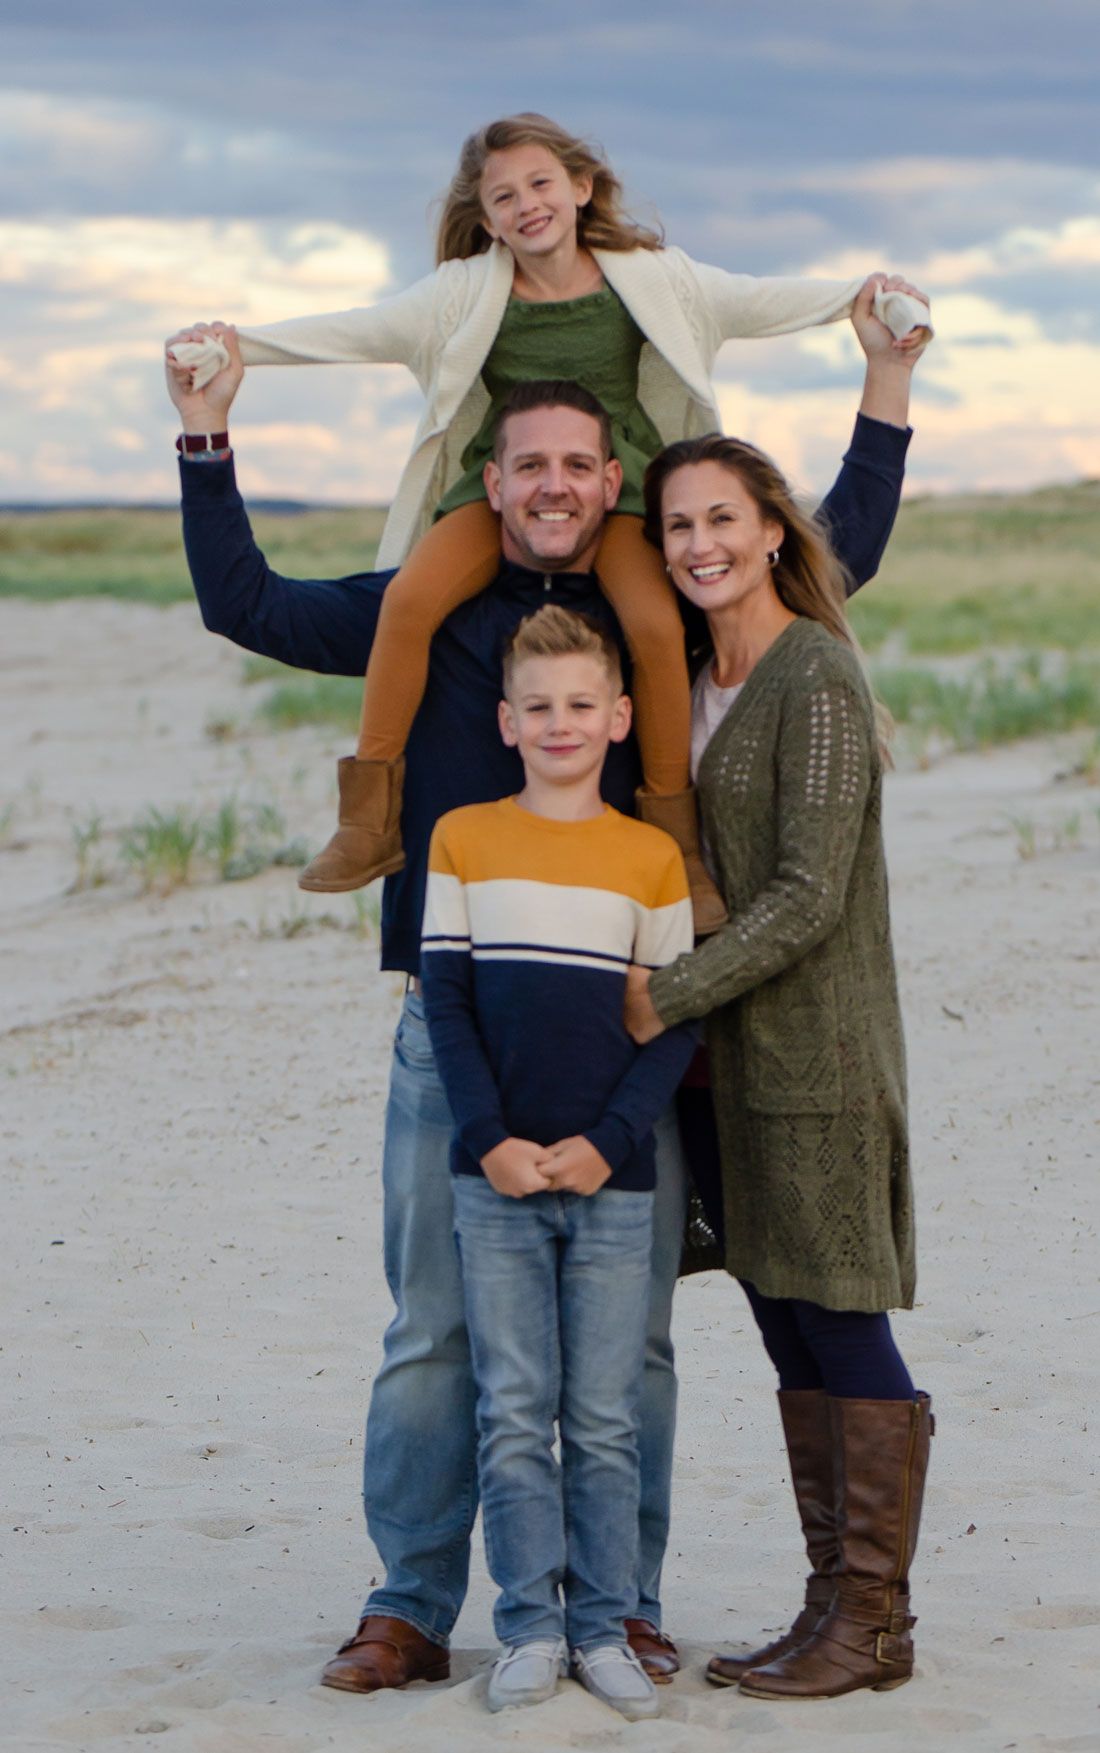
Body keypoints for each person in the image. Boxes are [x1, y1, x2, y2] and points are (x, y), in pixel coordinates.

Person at [164, 290, 922, 1695]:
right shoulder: (433, 612)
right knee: (437, 1329)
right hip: (451, 1029)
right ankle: (408, 1601)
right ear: (491, 484)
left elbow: (826, 553)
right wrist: (206, 434)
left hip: (636, 1027)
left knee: (629, 1344)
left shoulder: (669, 631)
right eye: (529, 467)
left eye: (580, 464)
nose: (555, 486)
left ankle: (622, 1604)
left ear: (610, 479)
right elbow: (244, 603)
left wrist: (883, 389)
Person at [165, 110, 930, 936]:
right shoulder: (462, 301)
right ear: (485, 218)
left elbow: (771, 331)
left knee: (650, 626)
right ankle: (367, 816)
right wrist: (227, 367)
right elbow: (350, 339)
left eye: (540, 183)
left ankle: (681, 845)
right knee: (408, 599)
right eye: (504, 196)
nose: (526, 205)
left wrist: (868, 319)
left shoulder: (656, 292)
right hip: (462, 946)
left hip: (632, 523)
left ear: (580, 186)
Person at [623, 429, 932, 1699]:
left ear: (768, 528)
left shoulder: (811, 675)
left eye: (718, 520)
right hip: (721, 1073)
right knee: (784, 1329)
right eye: (676, 528)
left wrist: (665, 995)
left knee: (839, 1318)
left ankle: (873, 1623)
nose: (697, 545)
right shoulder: (689, 671)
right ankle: (828, 1609)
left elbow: (807, 895)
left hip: (814, 1056)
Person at [420, 605, 695, 1718]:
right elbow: (443, 999)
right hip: (493, 1180)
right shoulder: (463, 838)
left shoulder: (649, 855)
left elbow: (671, 1023)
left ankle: (605, 1623)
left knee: (603, 1415)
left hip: (611, 1178)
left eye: (581, 705)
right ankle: (527, 1626)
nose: (560, 723)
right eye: (538, 707)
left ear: (618, 716)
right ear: (505, 720)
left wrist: (607, 1141)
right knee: (510, 1405)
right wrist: (488, 1140)